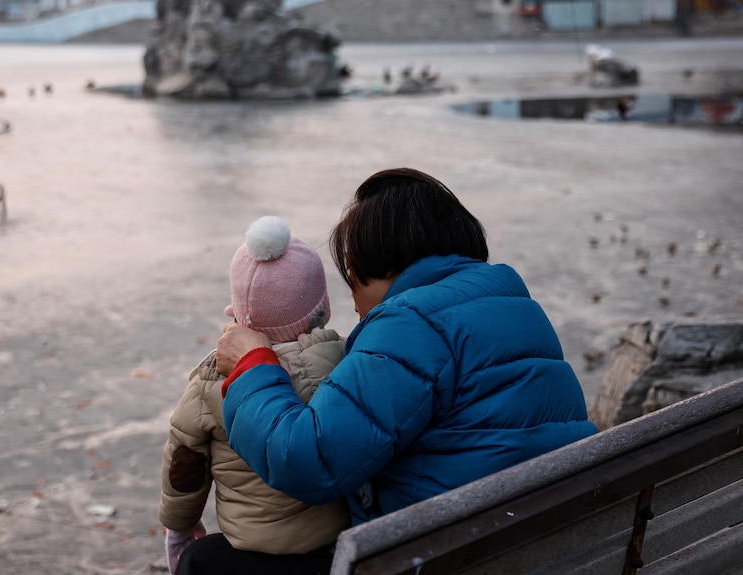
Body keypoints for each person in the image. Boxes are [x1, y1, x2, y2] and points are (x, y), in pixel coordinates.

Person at [183, 167, 598, 571]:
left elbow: (308, 459)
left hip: (441, 556)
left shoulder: (410, 323)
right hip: (544, 544)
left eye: (354, 279)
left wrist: (252, 363)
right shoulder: (517, 306)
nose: (354, 300)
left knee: (204, 560)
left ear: (383, 265)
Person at [160, 216, 350, 574]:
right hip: (335, 541)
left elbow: (185, 466)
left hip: (250, 549)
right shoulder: (347, 361)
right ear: (322, 307)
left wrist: (179, 528)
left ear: (237, 313)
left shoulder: (211, 380)